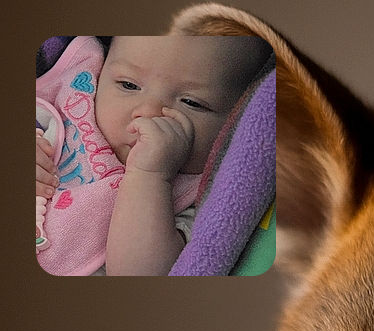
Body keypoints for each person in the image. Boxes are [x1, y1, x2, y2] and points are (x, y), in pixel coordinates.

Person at [35, 34, 270, 275]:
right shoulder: (70, 100)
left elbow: (140, 276)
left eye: (191, 102)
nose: (148, 112)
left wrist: (150, 176)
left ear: (235, 121)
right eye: (129, 85)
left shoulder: (201, 197)